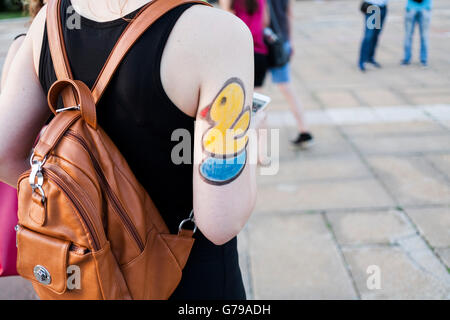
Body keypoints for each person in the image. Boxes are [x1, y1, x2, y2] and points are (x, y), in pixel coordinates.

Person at [0, 0, 259, 299]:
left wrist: (83, 210)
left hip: (83, 273)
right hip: (186, 280)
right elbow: (221, 221)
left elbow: (5, 155)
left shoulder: (51, 19)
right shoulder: (218, 33)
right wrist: (256, 134)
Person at [267, 0, 313, 147]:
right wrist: (290, 41)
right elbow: (289, 14)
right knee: (287, 88)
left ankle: (253, 146)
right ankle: (304, 129)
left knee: (254, 93)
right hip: (281, 42)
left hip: (260, 44)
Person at [219, 0, 269, 90]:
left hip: (238, 54)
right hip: (259, 51)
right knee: (256, 97)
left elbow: (227, 22)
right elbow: (265, 22)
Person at [358, 0, 389, 72]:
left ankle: (370, 58)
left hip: (382, 7)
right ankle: (362, 60)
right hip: (372, 8)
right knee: (369, 35)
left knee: (375, 35)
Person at [401, 0, 432, 67]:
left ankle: (423, 60)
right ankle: (407, 58)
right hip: (412, 8)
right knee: (409, 35)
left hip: (424, 8)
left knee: (423, 36)